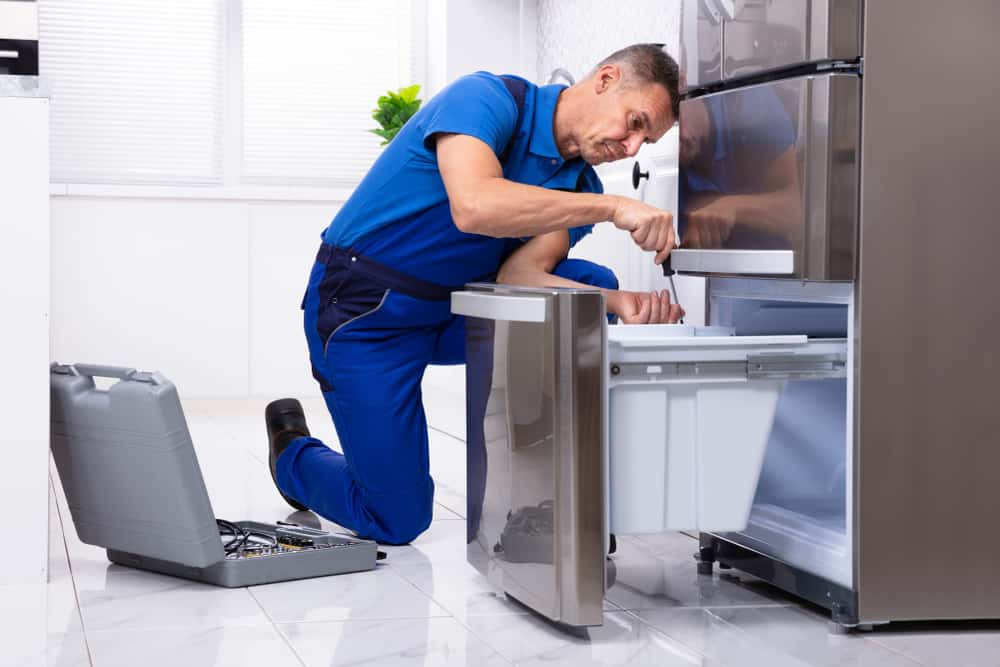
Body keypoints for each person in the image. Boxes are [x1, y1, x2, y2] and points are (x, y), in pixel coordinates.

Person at [265, 44, 685, 545]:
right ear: (605, 79)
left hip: (452, 310)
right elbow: (475, 204)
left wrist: (621, 305)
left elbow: (519, 275)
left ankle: (552, 498)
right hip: (365, 314)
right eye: (634, 122)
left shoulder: (577, 183)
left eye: (647, 139)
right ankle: (293, 457)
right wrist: (613, 206)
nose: (633, 146)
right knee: (397, 519)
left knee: (590, 290)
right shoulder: (487, 99)